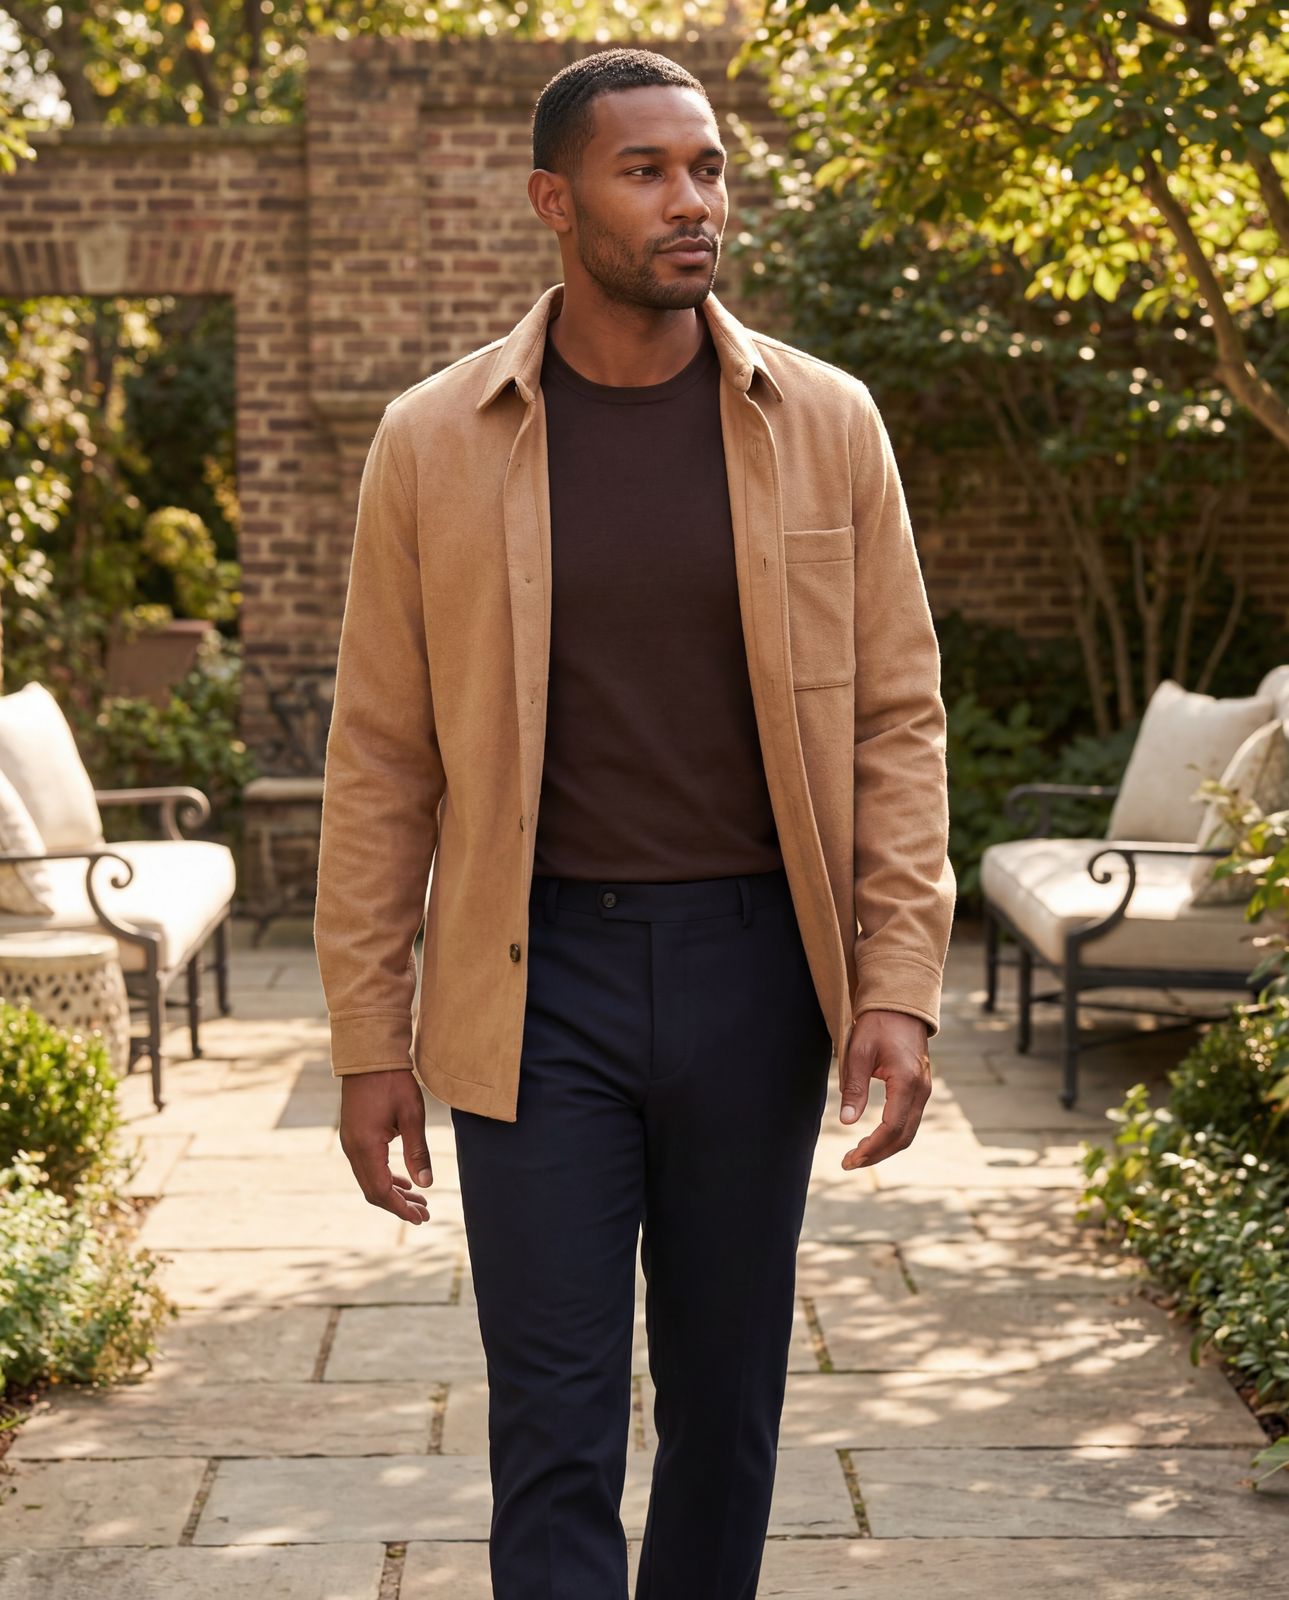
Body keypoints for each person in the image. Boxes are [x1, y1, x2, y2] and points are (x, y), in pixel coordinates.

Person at [314, 45, 956, 1600]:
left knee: (728, 1410)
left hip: (754, 976)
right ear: (555, 200)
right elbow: (381, 760)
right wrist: (368, 1037)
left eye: (708, 168)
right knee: (553, 1419)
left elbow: (893, 719)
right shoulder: (430, 440)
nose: (693, 203)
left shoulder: (826, 422)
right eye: (646, 171)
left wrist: (894, 982)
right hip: (537, 987)